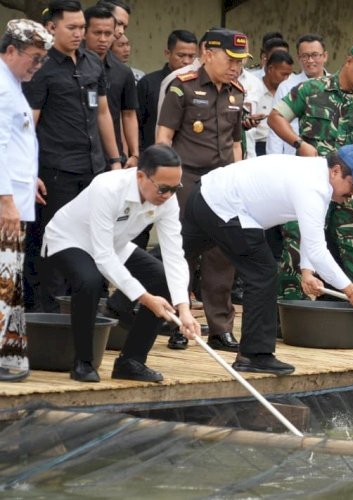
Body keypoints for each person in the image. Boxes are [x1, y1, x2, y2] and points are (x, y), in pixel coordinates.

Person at [181, 146, 353, 374]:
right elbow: (318, 249)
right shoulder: (313, 187)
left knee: (170, 259)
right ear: (335, 171)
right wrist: (352, 292)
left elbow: (312, 234)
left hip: (207, 194)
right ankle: (255, 354)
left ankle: (132, 312)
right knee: (262, 273)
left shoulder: (316, 174)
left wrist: (306, 271)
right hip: (225, 206)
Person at [268, 37, 353, 345]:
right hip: (311, 178)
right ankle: (290, 311)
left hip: (351, 182)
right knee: (298, 241)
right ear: (349, 60)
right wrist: (300, 144)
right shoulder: (311, 91)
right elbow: (276, 118)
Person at [42, 144, 202, 383]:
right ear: (140, 176)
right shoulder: (107, 187)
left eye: (175, 188)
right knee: (90, 280)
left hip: (115, 243)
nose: (168, 195)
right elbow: (103, 257)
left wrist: (184, 308)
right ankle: (83, 363)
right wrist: (145, 298)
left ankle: (131, 361)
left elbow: (174, 255)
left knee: (162, 278)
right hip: (68, 238)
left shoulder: (167, 199)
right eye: (163, 188)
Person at [23, 0, 123, 313]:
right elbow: (29, 122)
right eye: (72, 27)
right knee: (51, 242)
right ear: (51, 28)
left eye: (82, 27)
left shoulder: (92, 62)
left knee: (91, 239)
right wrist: (29, 171)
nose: (80, 33)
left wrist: (115, 161)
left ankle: (85, 306)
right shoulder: (41, 67)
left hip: (92, 168)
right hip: (55, 170)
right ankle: (47, 311)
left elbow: (104, 113)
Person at [155, 28, 249, 350]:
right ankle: (177, 325)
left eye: (241, 61)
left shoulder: (238, 92)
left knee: (222, 253)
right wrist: (166, 182)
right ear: (208, 53)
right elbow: (164, 137)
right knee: (181, 251)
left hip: (222, 183)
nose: (236, 66)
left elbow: (236, 143)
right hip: (187, 179)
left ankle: (221, 328)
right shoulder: (182, 86)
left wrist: (237, 181)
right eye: (231, 58)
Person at [0, 19, 52, 382]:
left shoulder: (13, 84)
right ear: (11, 50)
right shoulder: (2, 86)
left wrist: (27, 176)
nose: (37, 65)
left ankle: (11, 357)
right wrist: (4, 198)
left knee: (11, 280)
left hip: (16, 195)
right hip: (5, 202)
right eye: (33, 57)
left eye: (42, 60)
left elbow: (15, 143)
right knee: (3, 281)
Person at [83, 5, 139, 168]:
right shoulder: (72, 66)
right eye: (97, 33)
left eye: (108, 33)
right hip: (75, 155)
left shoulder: (123, 71)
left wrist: (134, 153)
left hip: (111, 156)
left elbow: (128, 114)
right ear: (84, 32)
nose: (102, 39)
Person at [266, 33, 330, 155]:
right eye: (305, 56)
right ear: (298, 57)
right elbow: (275, 129)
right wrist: (275, 162)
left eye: (315, 55)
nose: (310, 60)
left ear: (325, 56)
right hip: (294, 158)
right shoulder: (287, 87)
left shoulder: (335, 86)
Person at [137, 29, 197, 152]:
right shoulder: (148, 83)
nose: (186, 61)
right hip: (152, 154)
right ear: (167, 53)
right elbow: (136, 123)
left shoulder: (199, 85)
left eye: (191, 56)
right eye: (181, 55)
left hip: (189, 157)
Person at [245, 50, 293, 157]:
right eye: (283, 74)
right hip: (257, 145)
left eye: (288, 75)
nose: (286, 79)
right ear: (270, 69)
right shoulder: (254, 88)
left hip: (283, 146)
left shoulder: (288, 91)